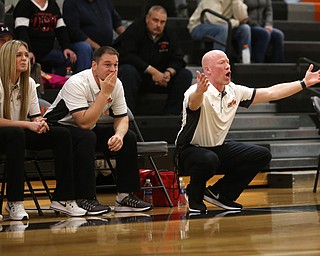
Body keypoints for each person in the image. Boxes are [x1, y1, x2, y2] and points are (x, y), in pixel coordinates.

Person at [175, 49, 320, 213]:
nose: (227, 66)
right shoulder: (195, 91)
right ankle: (195, 197)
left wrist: (303, 83)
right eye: (222, 63)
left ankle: (219, 193)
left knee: (261, 154)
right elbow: (194, 104)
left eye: (228, 62)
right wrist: (199, 92)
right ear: (207, 70)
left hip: (217, 148)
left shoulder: (234, 90)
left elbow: (272, 92)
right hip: (189, 151)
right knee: (208, 159)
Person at [43, 46, 153, 213]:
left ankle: (125, 196)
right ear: (94, 65)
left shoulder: (117, 84)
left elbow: (122, 117)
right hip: (58, 128)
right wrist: (104, 94)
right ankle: (86, 198)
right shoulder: (77, 83)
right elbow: (84, 124)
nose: (112, 69)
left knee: (128, 137)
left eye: (115, 65)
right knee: (87, 136)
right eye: (107, 65)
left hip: (85, 129)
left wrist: (118, 135)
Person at [0, 40, 88, 220]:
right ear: (7, 58)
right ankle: (15, 202)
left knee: (62, 134)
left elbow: (34, 116)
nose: (24, 59)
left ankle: (64, 198)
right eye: (18, 55)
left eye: (26, 55)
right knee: (16, 135)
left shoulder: (30, 83)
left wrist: (39, 122)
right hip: (6, 134)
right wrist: (28, 125)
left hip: (19, 133)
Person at [114, 5, 192, 115]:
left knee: (185, 74)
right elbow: (126, 55)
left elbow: (178, 58)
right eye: (155, 20)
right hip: (139, 77)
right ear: (147, 19)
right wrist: (152, 71)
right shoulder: (136, 29)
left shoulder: (169, 33)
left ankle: (171, 115)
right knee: (127, 70)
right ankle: (128, 116)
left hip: (162, 80)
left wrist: (169, 72)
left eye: (162, 22)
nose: (158, 25)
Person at [13, 0, 77, 76]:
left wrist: (66, 47)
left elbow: (61, 29)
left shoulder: (52, 4)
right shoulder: (25, 3)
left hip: (48, 51)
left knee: (69, 60)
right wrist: (27, 51)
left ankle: (52, 82)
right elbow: (21, 31)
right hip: (31, 51)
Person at [62, 0, 125, 72]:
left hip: (107, 45)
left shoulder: (105, 2)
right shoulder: (71, 2)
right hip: (81, 44)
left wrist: (127, 36)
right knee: (84, 47)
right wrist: (97, 47)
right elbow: (74, 31)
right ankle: (84, 81)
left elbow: (117, 22)